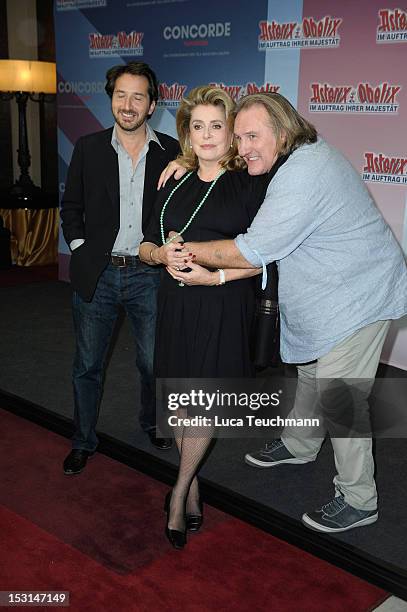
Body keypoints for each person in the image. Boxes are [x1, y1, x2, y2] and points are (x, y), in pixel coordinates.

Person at [164, 92, 407, 533]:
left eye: (253, 136)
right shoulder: (288, 160)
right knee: (313, 373)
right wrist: (186, 161)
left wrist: (181, 252)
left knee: (338, 393)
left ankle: (359, 498)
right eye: (238, 137)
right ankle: (299, 443)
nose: (243, 146)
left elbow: (253, 248)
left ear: (282, 132)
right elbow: (221, 166)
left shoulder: (303, 174)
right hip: (329, 292)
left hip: (360, 294)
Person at [139, 86, 269, 549]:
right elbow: (143, 244)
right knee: (178, 398)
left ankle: (177, 494)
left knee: (202, 401)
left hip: (220, 302)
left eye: (218, 125)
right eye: (198, 126)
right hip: (174, 302)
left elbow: (263, 257)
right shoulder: (172, 179)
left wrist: (212, 276)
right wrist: (161, 255)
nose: (208, 135)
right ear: (187, 133)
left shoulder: (249, 183)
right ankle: (193, 486)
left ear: (231, 131)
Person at [60, 61, 179, 476]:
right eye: (120, 95)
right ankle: (82, 440)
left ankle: (152, 422)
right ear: (111, 99)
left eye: (138, 97)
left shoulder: (171, 153)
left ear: (152, 105)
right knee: (87, 364)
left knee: (152, 362)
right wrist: (81, 249)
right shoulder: (88, 147)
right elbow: (70, 207)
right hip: (99, 274)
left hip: (149, 275)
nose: (127, 105)